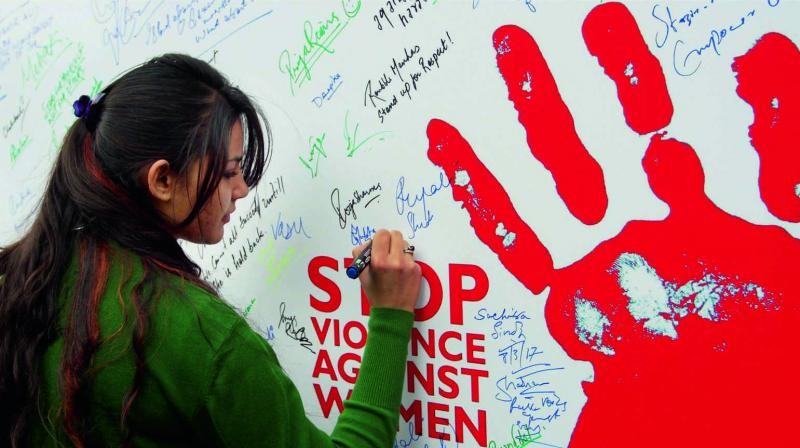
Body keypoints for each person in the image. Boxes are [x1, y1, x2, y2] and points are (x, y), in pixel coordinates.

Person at [0, 53, 422, 447]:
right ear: (162, 180)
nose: (241, 191)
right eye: (228, 173)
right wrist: (390, 315)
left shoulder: (21, 277)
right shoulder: (204, 339)